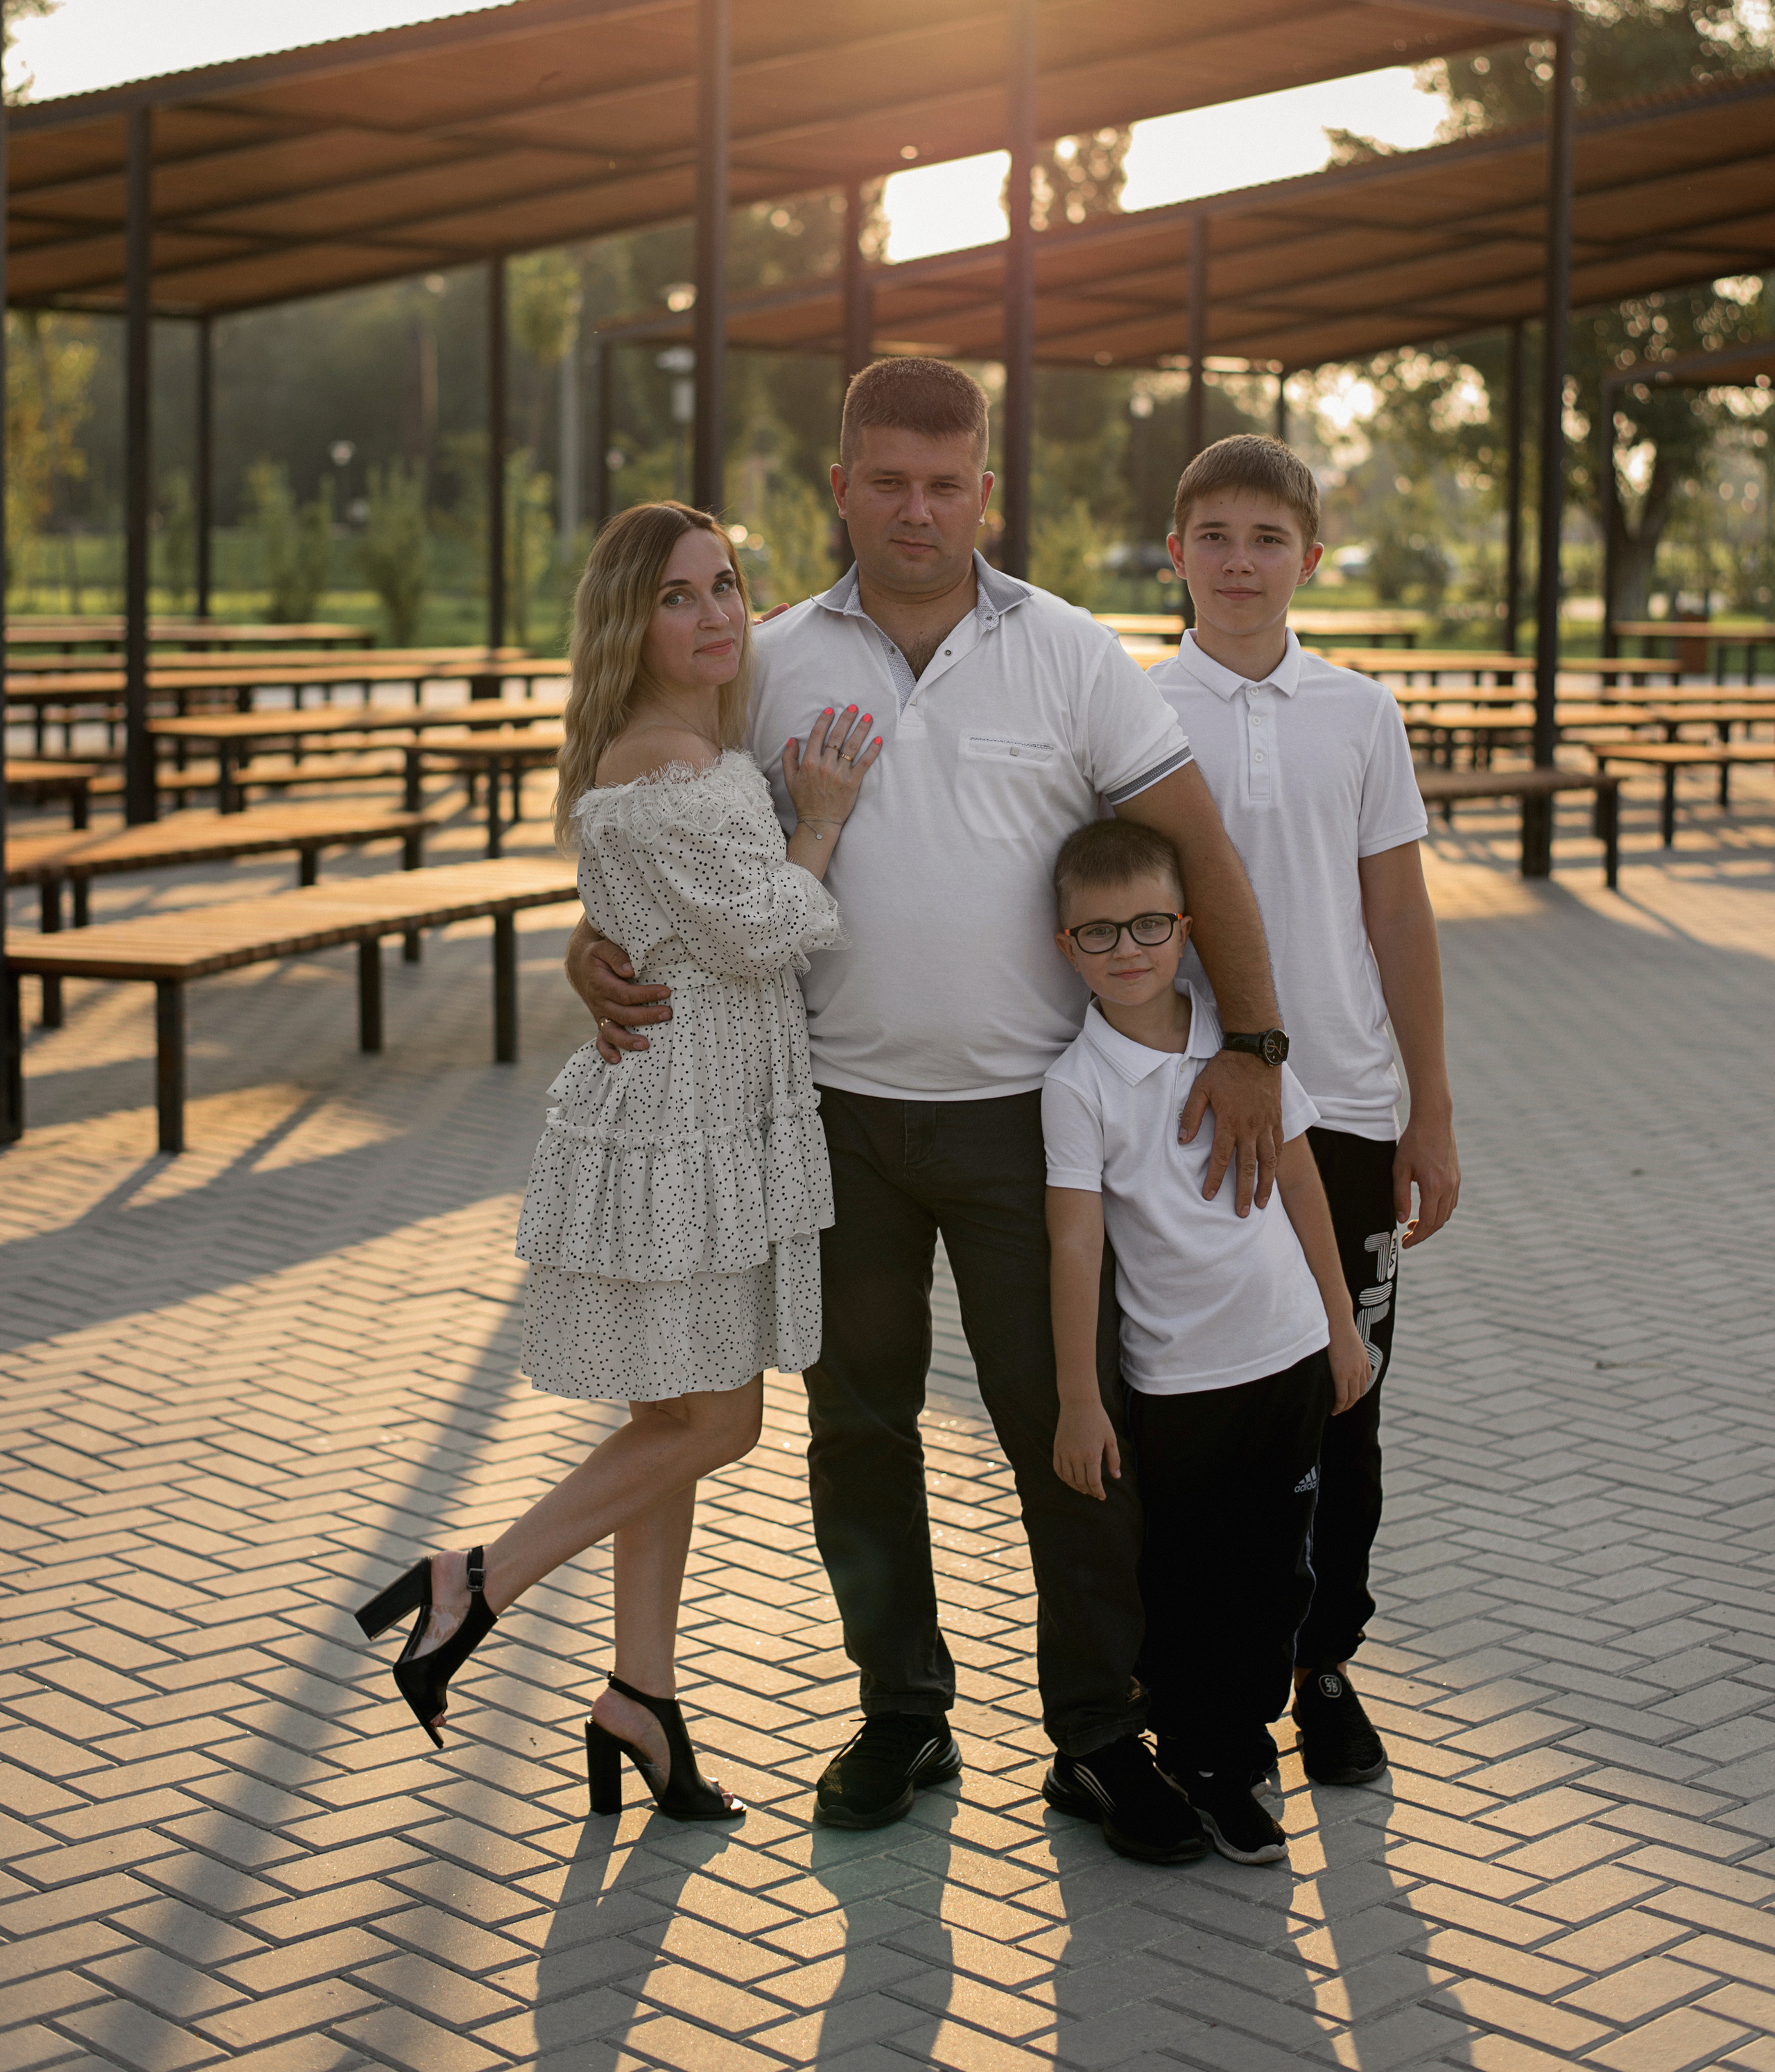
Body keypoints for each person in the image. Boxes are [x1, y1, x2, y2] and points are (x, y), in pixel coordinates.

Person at [569, 359, 1290, 1864]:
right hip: (828, 1122)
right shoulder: (759, 661)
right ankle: (900, 1707)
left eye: (942, 484)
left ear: (985, 491)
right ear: (838, 487)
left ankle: (1097, 1735)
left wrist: (1255, 1040)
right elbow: (658, 829)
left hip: (1036, 1130)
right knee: (856, 1425)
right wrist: (595, 946)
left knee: (1065, 1439)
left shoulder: (1073, 654)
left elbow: (1195, 842)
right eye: (884, 481)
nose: (915, 509)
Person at [356, 501, 882, 1826]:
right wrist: (819, 817)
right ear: (626, 622)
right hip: (681, 1120)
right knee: (723, 1419)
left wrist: (593, 943)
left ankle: (638, 1701)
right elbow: (768, 932)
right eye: (680, 596)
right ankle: (473, 1577)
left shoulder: (693, 744)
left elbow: (640, 915)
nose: (715, 615)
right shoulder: (662, 764)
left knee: (667, 1422)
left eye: (727, 586)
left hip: (711, 1099)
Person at [1150, 434, 1461, 1792]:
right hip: (1189, 1114)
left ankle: (1318, 1663)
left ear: (1307, 561)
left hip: (1339, 1108)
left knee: (1346, 1397)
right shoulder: (1129, 709)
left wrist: (1429, 1113)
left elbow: (1395, 912)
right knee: (1200, 1405)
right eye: (1210, 535)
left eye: (1264, 539)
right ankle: (1198, 1675)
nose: (1236, 561)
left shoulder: (1358, 711)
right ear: (1174, 554)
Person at [1042, 817, 1370, 1864]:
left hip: (1285, 1360)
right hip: (1178, 1381)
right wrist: (1080, 1400)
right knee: (1185, 1584)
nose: (1127, 950)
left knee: (1277, 1577)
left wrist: (1339, 1322)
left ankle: (1234, 1741)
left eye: (1147, 924)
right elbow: (1075, 1247)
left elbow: (1306, 1179)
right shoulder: (1077, 1086)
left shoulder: (1239, 1042)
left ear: (1184, 928)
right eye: (1098, 934)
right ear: (1065, 949)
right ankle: (1206, 1759)